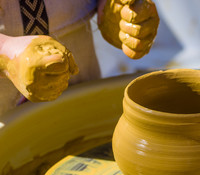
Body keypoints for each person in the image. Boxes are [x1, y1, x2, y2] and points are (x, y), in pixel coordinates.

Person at [0, 0, 159, 115]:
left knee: (86, 122)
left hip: (80, 61)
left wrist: (112, 8)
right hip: (4, 98)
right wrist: (6, 54)